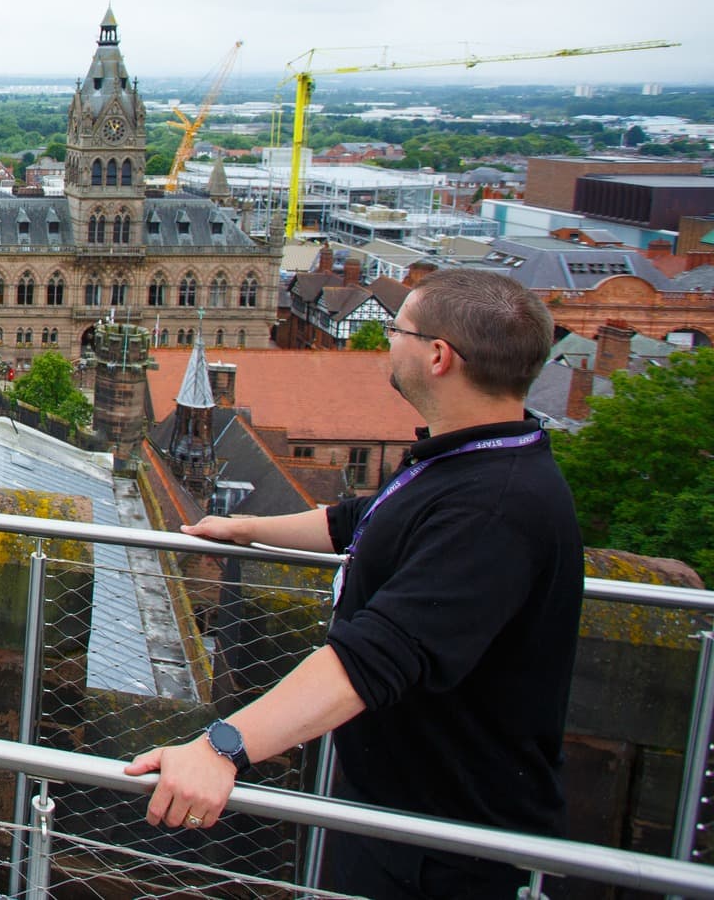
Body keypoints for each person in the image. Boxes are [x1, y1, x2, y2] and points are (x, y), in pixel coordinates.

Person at [125, 269, 580, 900]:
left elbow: (374, 657)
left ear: (440, 357)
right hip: (401, 811)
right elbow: (357, 521)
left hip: (450, 844)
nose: (389, 342)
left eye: (399, 330)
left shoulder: (495, 506)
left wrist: (223, 746)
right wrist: (247, 526)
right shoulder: (467, 458)